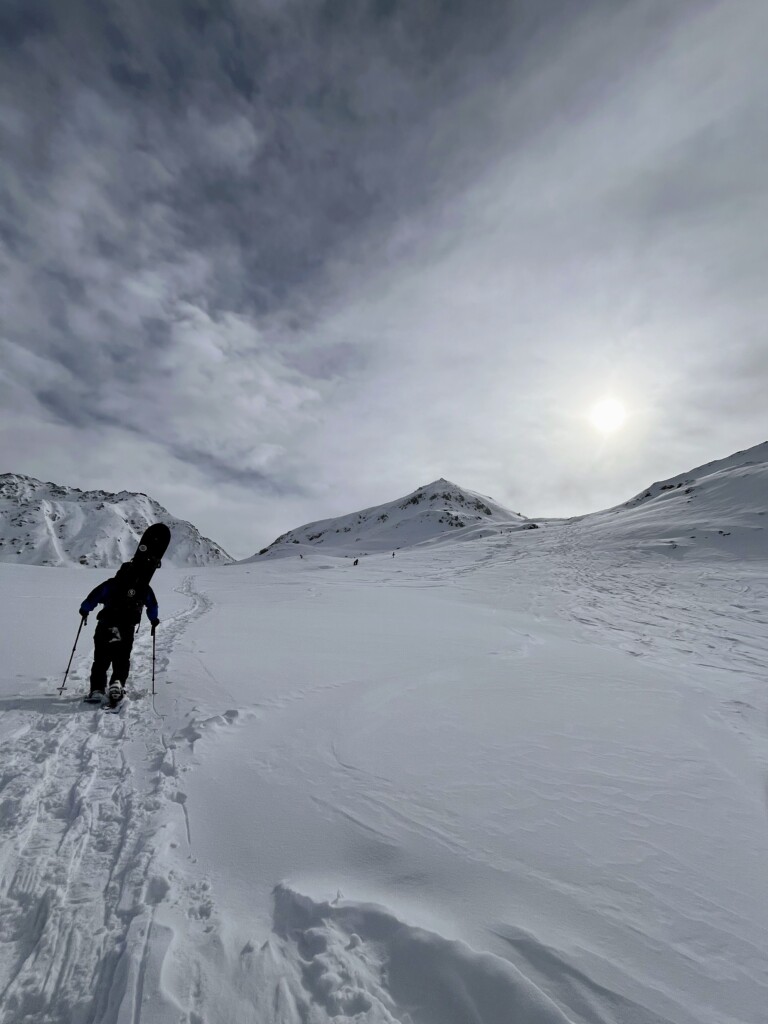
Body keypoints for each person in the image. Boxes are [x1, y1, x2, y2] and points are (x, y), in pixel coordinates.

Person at [79, 562, 159, 704]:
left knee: (101, 659)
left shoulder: (112, 584)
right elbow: (152, 605)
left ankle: (97, 690)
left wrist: (85, 610)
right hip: (126, 628)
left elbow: (93, 597)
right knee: (121, 658)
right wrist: (154, 620)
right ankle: (117, 684)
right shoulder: (143, 587)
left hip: (105, 625)